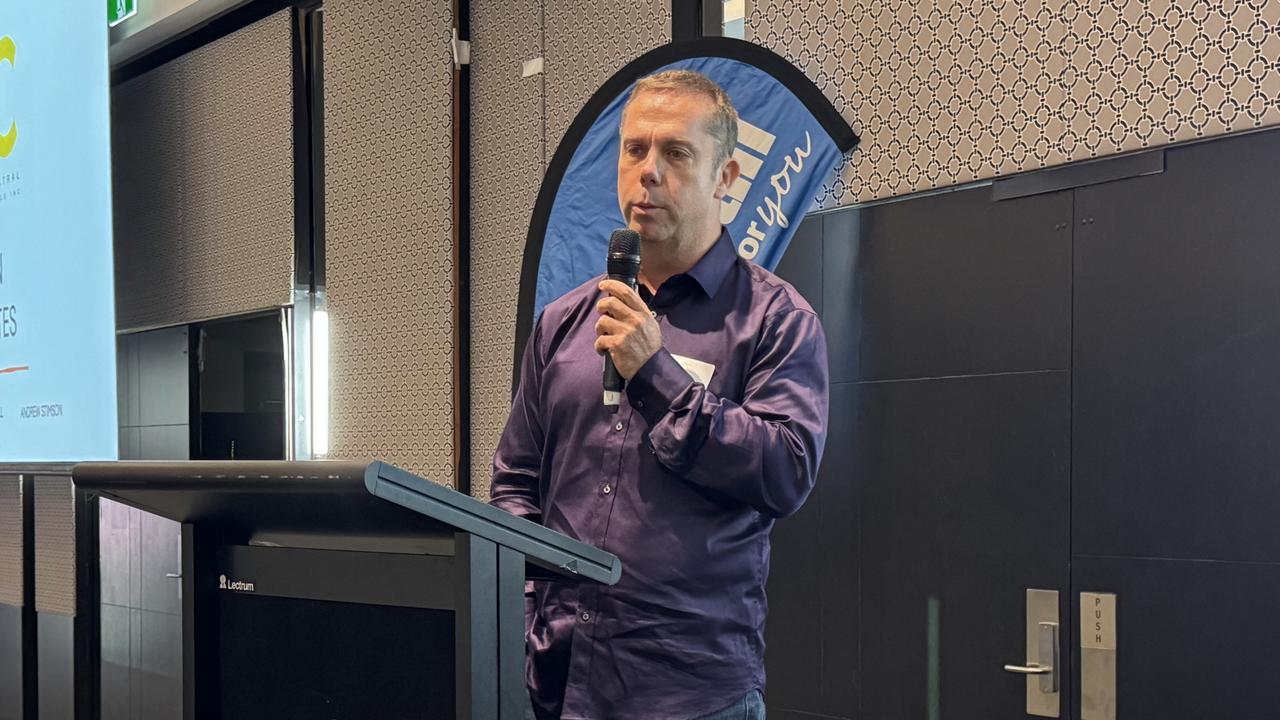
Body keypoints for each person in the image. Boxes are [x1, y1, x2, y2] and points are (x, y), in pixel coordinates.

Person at [490, 69, 829, 720]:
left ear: (726, 178)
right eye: (635, 149)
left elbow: (786, 471)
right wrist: (525, 615)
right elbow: (516, 484)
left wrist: (655, 374)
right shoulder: (563, 322)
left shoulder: (776, 322)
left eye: (676, 153)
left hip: (691, 694)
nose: (648, 171)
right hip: (554, 687)